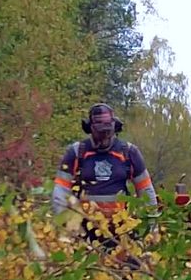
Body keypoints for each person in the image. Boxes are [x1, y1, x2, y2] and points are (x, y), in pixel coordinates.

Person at [52, 103, 157, 250]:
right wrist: (65, 228)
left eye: (108, 133)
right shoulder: (77, 152)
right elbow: (60, 192)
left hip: (122, 231)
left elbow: (146, 192)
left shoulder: (129, 152)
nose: (105, 138)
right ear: (90, 129)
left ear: (114, 127)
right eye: (100, 133)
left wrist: (151, 228)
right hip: (85, 232)